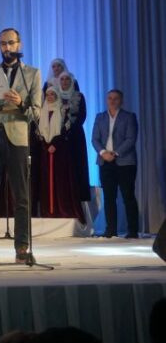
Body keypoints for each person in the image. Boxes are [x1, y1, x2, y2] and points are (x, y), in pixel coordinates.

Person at [0, 28, 41, 265]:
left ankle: (22, 247)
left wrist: (22, 104)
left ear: (19, 44)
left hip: (17, 135)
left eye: (11, 43)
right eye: (2, 43)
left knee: (21, 195)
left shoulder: (31, 73)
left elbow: (36, 113)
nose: (7, 48)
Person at [91, 89, 139, 238]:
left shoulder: (129, 117)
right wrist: (103, 153)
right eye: (110, 98)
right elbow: (95, 139)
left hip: (125, 162)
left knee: (128, 196)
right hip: (105, 162)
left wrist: (115, 153)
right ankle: (111, 230)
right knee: (109, 197)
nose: (112, 101)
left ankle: (132, 231)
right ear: (106, 100)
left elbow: (131, 139)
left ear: (121, 101)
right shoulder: (100, 117)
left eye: (116, 98)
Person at [37, 87, 85, 222]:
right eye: (47, 94)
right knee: (46, 182)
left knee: (61, 181)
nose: (50, 96)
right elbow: (39, 132)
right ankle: (48, 212)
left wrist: (55, 144)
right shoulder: (41, 111)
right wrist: (46, 145)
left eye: (53, 94)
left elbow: (65, 130)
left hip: (60, 152)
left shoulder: (63, 111)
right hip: (45, 152)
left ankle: (62, 211)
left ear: (57, 96)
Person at [58, 72, 90, 202]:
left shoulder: (79, 96)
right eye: (62, 79)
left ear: (72, 81)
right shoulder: (55, 95)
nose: (65, 82)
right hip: (58, 137)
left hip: (75, 136)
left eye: (67, 79)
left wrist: (70, 129)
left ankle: (77, 196)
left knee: (76, 165)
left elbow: (82, 115)